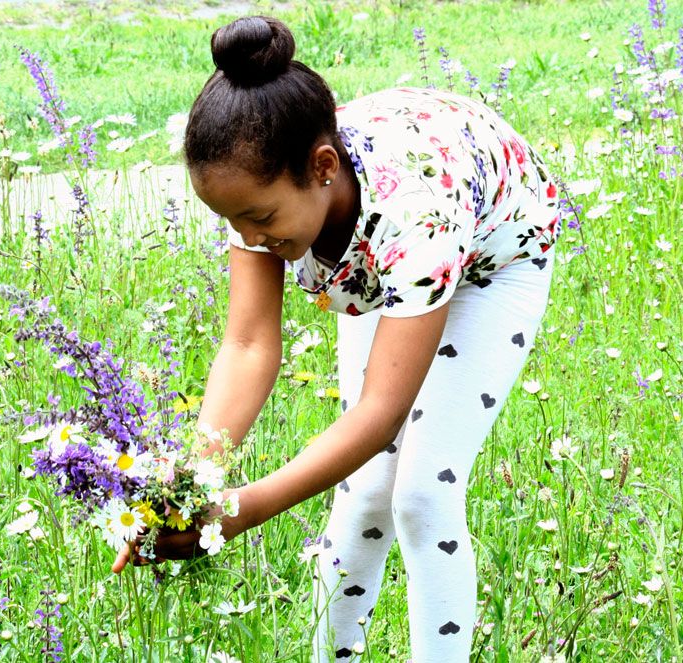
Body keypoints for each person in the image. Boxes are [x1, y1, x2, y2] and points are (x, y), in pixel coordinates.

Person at [110, 15, 560, 661]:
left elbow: (381, 416)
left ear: (323, 166)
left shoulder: (414, 217)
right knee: (365, 490)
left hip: (493, 255)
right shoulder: (262, 189)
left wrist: (237, 511)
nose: (250, 237)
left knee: (423, 490)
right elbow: (247, 346)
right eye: (233, 222)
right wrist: (187, 487)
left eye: (260, 218)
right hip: (381, 260)